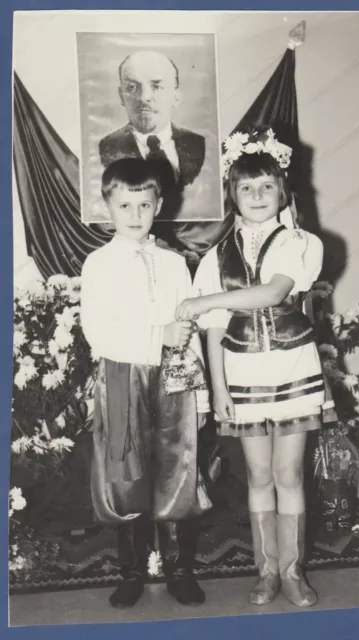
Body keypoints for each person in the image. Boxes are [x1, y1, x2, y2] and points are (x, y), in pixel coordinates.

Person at [176, 132, 325, 608]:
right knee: (259, 475)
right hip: (242, 375)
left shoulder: (300, 242)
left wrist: (204, 300)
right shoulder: (217, 255)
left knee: (290, 473)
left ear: (282, 191)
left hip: (294, 366)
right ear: (232, 195)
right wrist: (219, 388)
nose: (257, 196)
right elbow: (216, 329)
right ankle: (266, 572)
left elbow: (273, 292)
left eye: (266, 187)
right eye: (246, 188)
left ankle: (293, 571)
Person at [80, 157, 210, 609]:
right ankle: (132, 570)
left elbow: (188, 329)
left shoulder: (174, 264)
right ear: (108, 206)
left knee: (178, 468)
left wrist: (202, 392)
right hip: (123, 376)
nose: (135, 216)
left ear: (159, 205)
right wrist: (158, 337)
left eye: (145, 205)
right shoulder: (98, 264)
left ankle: (179, 569)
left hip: (174, 375)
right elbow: (98, 332)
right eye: (125, 205)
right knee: (127, 472)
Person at [99, 51, 205, 191]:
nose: (144, 97)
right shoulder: (107, 148)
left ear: (176, 95)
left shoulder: (198, 145)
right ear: (121, 96)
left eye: (156, 86)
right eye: (132, 87)